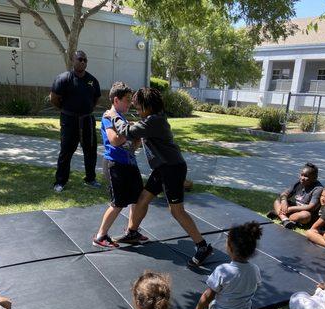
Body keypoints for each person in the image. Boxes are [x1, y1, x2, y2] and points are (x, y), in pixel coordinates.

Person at [107, 87, 212, 267]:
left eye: (139, 108)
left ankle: (202, 246)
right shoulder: (152, 119)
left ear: (148, 106)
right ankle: (132, 232)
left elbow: (127, 131)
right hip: (162, 168)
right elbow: (136, 129)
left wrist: (113, 116)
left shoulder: (154, 122)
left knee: (176, 210)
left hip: (172, 169)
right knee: (142, 199)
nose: (137, 111)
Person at [187, 222, 263, 309]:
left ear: (230, 248)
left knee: (208, 308)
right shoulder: (255, 269)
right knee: (242, 305)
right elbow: (255, 288)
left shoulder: (223, 270)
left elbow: (207, 297)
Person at [93, 82, 146, 248]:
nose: (130, 103)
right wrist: (130, 131)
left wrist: (137, 138)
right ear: (116, 100)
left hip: (130, 164)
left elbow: (133, 147)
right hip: (115, 165)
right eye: (127, 100)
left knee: (138, 199)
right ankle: (100, 236)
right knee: (118, 202)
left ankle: (131, 231)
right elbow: (114, 140)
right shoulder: (108, 116)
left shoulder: (122, 118)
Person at [50, 50, 102, 192]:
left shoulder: (92, 80)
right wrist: (66, 110)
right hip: (69, 120)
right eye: (80, 59)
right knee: (66, 151)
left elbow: (96, 98)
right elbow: (54, 98)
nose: (83, 62)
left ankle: (90, 179)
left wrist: (86, 110)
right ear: (73, 60)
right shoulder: (64, 78)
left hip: (87, 120)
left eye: (85, 60)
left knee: (90, 151)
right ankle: (60, 182)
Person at [267, 162, 323, 229]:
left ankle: (279, 214)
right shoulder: (299, 183)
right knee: (278, 201)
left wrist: (290, 209)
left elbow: (311, 207)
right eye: (301, 175)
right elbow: (284, 194)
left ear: (314, 178)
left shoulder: (318, 189)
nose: (302, 178)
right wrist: (284, 201)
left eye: (306, 176)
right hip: (295, 209)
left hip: (307, 214)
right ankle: (285, 220)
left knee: (305, 215)